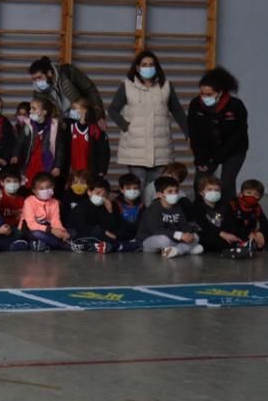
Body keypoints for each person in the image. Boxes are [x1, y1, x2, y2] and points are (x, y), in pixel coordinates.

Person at [107, 50, 188, 198]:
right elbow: (112, 110)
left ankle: (154, 219)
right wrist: (125, 126)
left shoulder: (166, 86)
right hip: (135, 148)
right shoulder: (127, 86)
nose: (148, 67)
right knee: (138, 189)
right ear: (137, 67)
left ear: (156, 67)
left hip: (161, 148)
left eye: (151, 64)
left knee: (158, 190)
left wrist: (188, 133)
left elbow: (178, 112)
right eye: (144, 64)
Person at [187, 67, 249, 196]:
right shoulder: (195, 105)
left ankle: (228, 213)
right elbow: (194, 133)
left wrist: (217, 157)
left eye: (209, 95)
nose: (204, 97)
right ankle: (201, 213)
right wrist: (200, 158)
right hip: (207, 149)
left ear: (220, 93)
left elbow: (239, 135)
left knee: (227, 183)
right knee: (200, 182)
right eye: (202, 94)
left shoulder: (236, 106)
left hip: (234, 150)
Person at [137, 176, 203, 257]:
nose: (174, 194)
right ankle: (186, 249)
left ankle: (175, 251)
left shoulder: (177, 207)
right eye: (170, 191)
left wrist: (189, 234)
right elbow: (157, 230)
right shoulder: (154, 208)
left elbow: (184, 225)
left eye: (176, 191)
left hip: (172, 237)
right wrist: (180, 236)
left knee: (195, 237)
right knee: (164, 240)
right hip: (149, 241)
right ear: (159, 195)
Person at [28, 56, 105, 124]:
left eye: (39, 77)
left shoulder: (69, 72)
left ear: (49, 73)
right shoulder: (38, 92)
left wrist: (99, 115)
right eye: (34, 79)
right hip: (61, 124)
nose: (37, 82)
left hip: (82, 119)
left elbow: (90, 90)